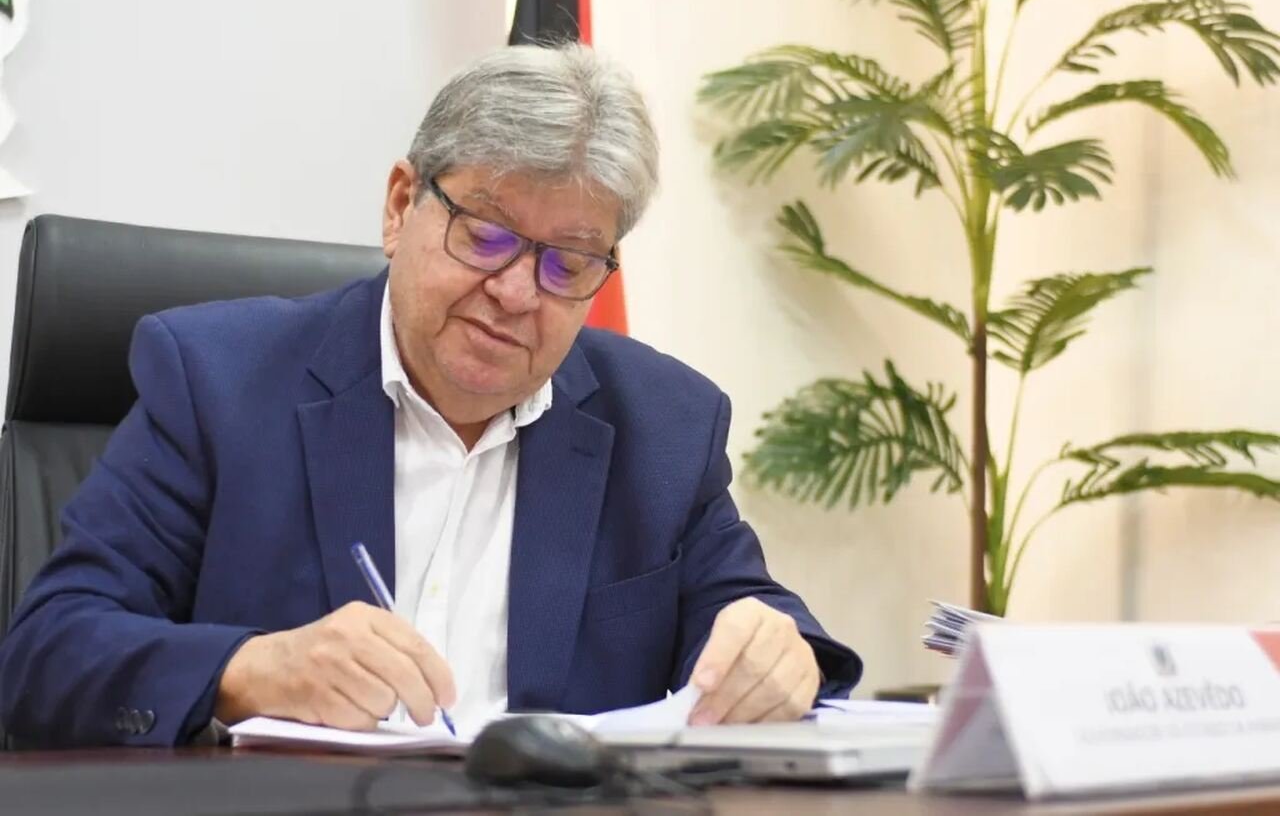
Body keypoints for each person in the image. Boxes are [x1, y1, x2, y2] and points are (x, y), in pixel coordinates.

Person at [0, 43, 860, 747]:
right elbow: (45, 652)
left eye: (567, 264)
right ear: (400, 205)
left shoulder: (664, 426)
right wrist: (249, 670)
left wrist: (778, 654)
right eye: (485, 236)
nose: (516, 292)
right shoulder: (216, 381)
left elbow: (756, 621)